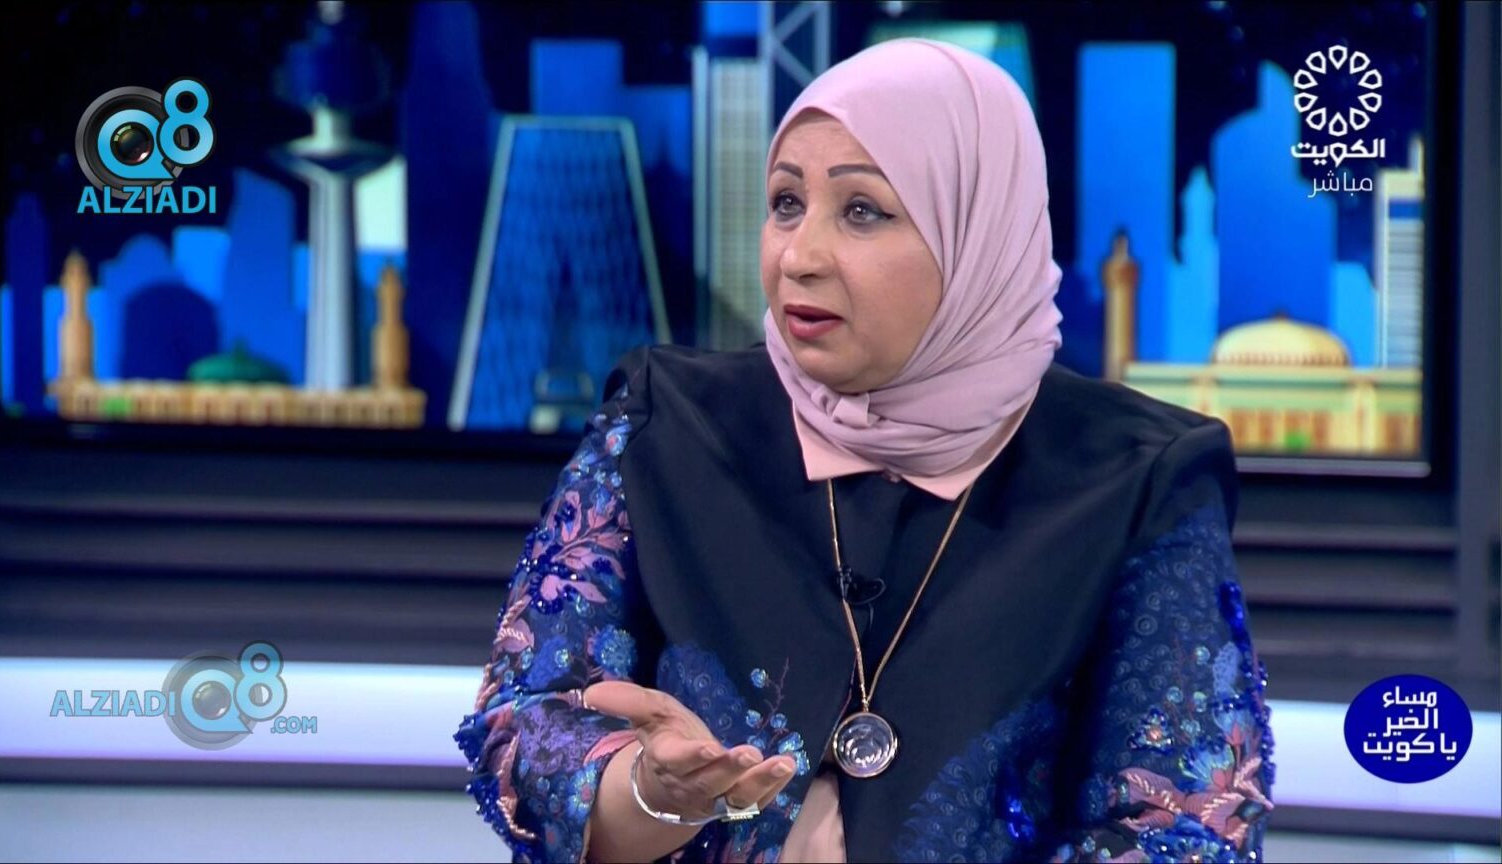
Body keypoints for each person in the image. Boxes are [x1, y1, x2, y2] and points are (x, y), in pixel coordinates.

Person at [455, 38, 1274, 863]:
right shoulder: (661, 423)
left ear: (974, 232)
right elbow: (523, 717)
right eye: (786, 203)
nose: (799, 257)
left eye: (861, 211)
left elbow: (1189, 823)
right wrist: (649, 793)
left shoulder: (1139, 476)